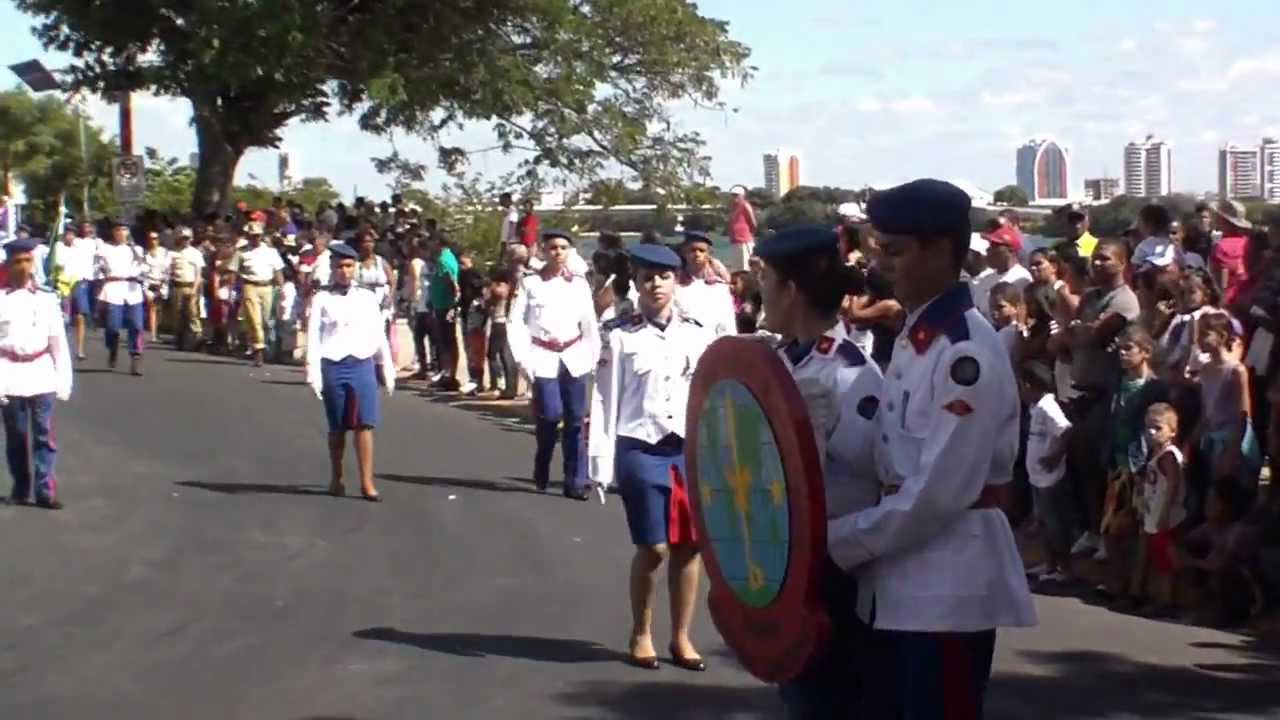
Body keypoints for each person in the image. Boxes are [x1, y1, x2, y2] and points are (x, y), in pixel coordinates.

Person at [827, 179, 1036, 720]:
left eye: (894, 251)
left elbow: (938, 492)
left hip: (946, 589)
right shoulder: (920, 336)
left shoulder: (964, 349)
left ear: (940, 250)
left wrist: (838, 540)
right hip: (898, 581)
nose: (881, 265)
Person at [752, 225, 884, 718]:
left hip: (833, 571)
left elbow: (870, 472)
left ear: (790, 290)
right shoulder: (780, 362)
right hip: (786, 564)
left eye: (766, 280)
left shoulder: (849, 374)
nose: (758, 291)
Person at [589, 243, 714, 673]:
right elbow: (605, 399)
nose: (655, 284)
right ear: (637, 283)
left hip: (687, 448)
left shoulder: (698, 332)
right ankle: (641, 631)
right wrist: (600, 462)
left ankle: (681, 636)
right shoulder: (621, 335)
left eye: (664, 277)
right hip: (640, 444)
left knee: (689, 546)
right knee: (655, 546)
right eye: (647, 277)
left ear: (676, 280)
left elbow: (709, 393)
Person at [508, 230, 601, 500]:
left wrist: (592, 356)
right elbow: (517, 322)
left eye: (563, 248)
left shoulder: (579, 284)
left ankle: (577, 479)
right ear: (543, 252)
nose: (558, 252)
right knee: (550, 415)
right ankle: (543, 459)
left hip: (574, 354)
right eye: (552, 248)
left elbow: (589, 323)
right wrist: (523, 359)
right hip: (543, 354)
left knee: (575, 419)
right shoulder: (531, 283)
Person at [305, 243, 395, 502]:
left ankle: (367, 482)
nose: (344, 271)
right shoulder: (322, 298)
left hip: (361, 363)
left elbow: (379, 335)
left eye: (348, 266)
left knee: (365, 424)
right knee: (338, 426)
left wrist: (386, 367)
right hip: (333, 362)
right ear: (332, 269)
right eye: (339, 267)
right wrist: (313, 371)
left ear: (355, 267)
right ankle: (337, 477)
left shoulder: (367, 297)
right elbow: (314, 336)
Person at [0, 239, 73, 510]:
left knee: (44, 435)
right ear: (8, 265)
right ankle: (20, 488)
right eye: (17, 261)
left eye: (27, 261)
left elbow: (58, 344)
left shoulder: (46, 298)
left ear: (33, 263)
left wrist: (63, 380)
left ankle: (45, 490)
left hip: (41, 373)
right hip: (9, 374)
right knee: (16, 437)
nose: (23, 266)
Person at [1132, 402, 1186, 616]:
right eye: (1148, 427)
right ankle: (1156, 597)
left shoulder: (1169, 457)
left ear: (1172, 431)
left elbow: (1172, 486)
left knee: (1166, 561)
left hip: (1166, 518)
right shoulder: (1156, 455)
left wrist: (1164, 513)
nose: (1151, 432)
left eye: (1158, 427)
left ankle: (1167, 601)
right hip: (1153, 514)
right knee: (1157, 558)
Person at [1025, 363, 1073, 582]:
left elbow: (1066, 430)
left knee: (1055, 523)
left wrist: (1055, 456)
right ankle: (1049, 563)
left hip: (1049, 477)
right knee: (1043, 521)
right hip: (1036, 476)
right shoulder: (1035, 407)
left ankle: (1063, 567)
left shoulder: (1048, 406)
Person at [95, 218, 147, 375]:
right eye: (118, 230)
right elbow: (97, 267)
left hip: (132, 290)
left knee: (136, 325)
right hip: (113, 288)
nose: (121, 233)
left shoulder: (136, 249)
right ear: (113, 232)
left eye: (124, 230)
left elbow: (144, 267)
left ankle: (136, 356)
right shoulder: (105, 249)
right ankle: (113, 348)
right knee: (112, 326)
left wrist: (141, 275)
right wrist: (101, 272)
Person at [232, 221, 285, 367]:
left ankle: (260, 344)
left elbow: (278, 271)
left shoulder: (271, 252)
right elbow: (234, 272)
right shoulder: (241, 252)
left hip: (267, 287)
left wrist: (282, 289)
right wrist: (232, 290)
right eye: (252, 236)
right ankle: (258, 349)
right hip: (250, 286)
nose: (254, 238)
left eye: (257, 236)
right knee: (255, 319)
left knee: (266, 321)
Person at [674, 231, 736, 337]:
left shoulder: (719, 288)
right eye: (692, 250)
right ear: (684, 253)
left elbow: (727, 325)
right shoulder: (675, 285)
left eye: (702, 251)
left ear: (708, 254)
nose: (697, 254)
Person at [167, 227, 205, 350]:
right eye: (183, 238)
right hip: (177, 285)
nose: (185, 241)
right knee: (177, 313)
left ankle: (197, 337)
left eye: (187, 238)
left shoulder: (195, 253)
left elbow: (198, 274)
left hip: (190, 285)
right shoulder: (173, 253)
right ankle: (180, 338)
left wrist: (195, 289)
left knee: (192, 312)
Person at [142, 230, 171, 343]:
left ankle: (157, 330)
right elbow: (143, 271)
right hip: (149, 282)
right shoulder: (144, 253)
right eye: (150, 238)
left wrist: (163, 282)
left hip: (162, 283)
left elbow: (167, 269)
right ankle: (153, 334)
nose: (153, 241)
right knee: (152, 308)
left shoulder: (164, 253)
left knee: (159, 309)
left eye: (155, 238)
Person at [726, 186, 757, 270]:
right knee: (737, 269)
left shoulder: (745, 205)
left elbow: (753, 222)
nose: (733, 197)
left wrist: (750, 235)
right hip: (735, 241)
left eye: (736, 195)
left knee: (746, 267)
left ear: (742, 196)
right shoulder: (733, 208)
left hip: (744, 241)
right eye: (732, 195)